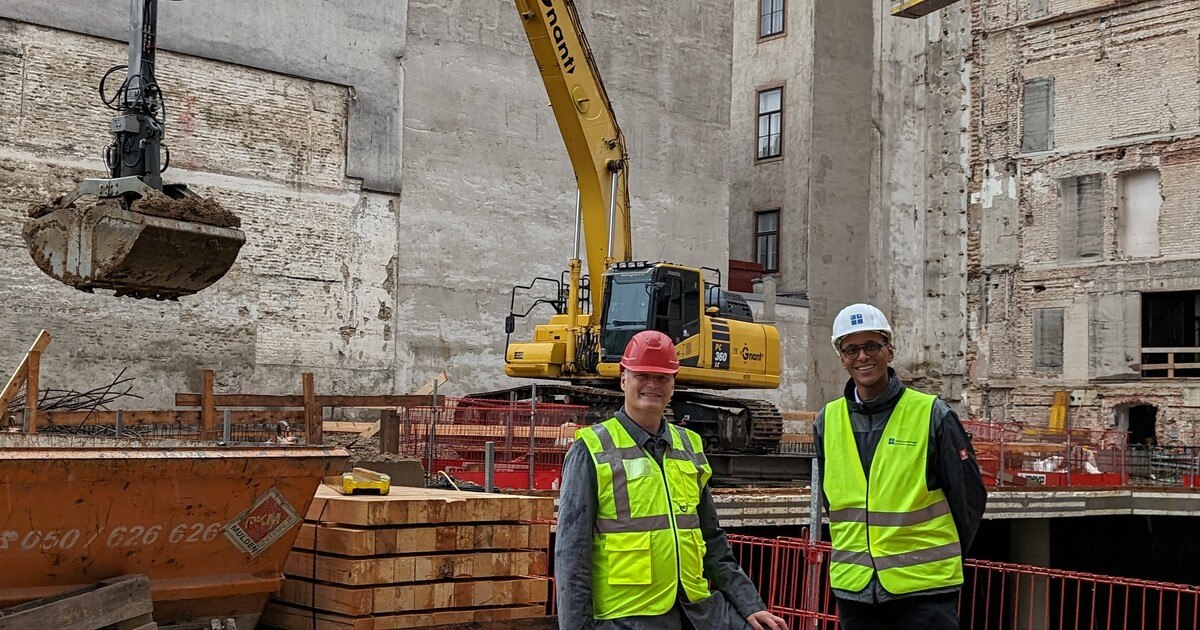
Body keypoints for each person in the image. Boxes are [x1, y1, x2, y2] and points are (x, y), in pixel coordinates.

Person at [556, 330, 789, 630]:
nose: (653, 385)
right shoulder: (592, 449)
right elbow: (572, 555)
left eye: (663, 377)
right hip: (628, 617)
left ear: (673, 385)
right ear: (624, 379)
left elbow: (713, 540)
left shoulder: (689, 446)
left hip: (695, 610)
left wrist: (749, 604)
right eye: (643, 375)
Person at [814, 304, 986, 630]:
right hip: (856, 591)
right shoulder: (827, 421)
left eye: (872, 346)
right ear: (842, 358)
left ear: (889, 351)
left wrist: (938, 561)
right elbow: (832, 501)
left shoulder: (932, 415)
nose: (863, 356)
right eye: (852, 349)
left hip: (924, 593)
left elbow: (969, 499)